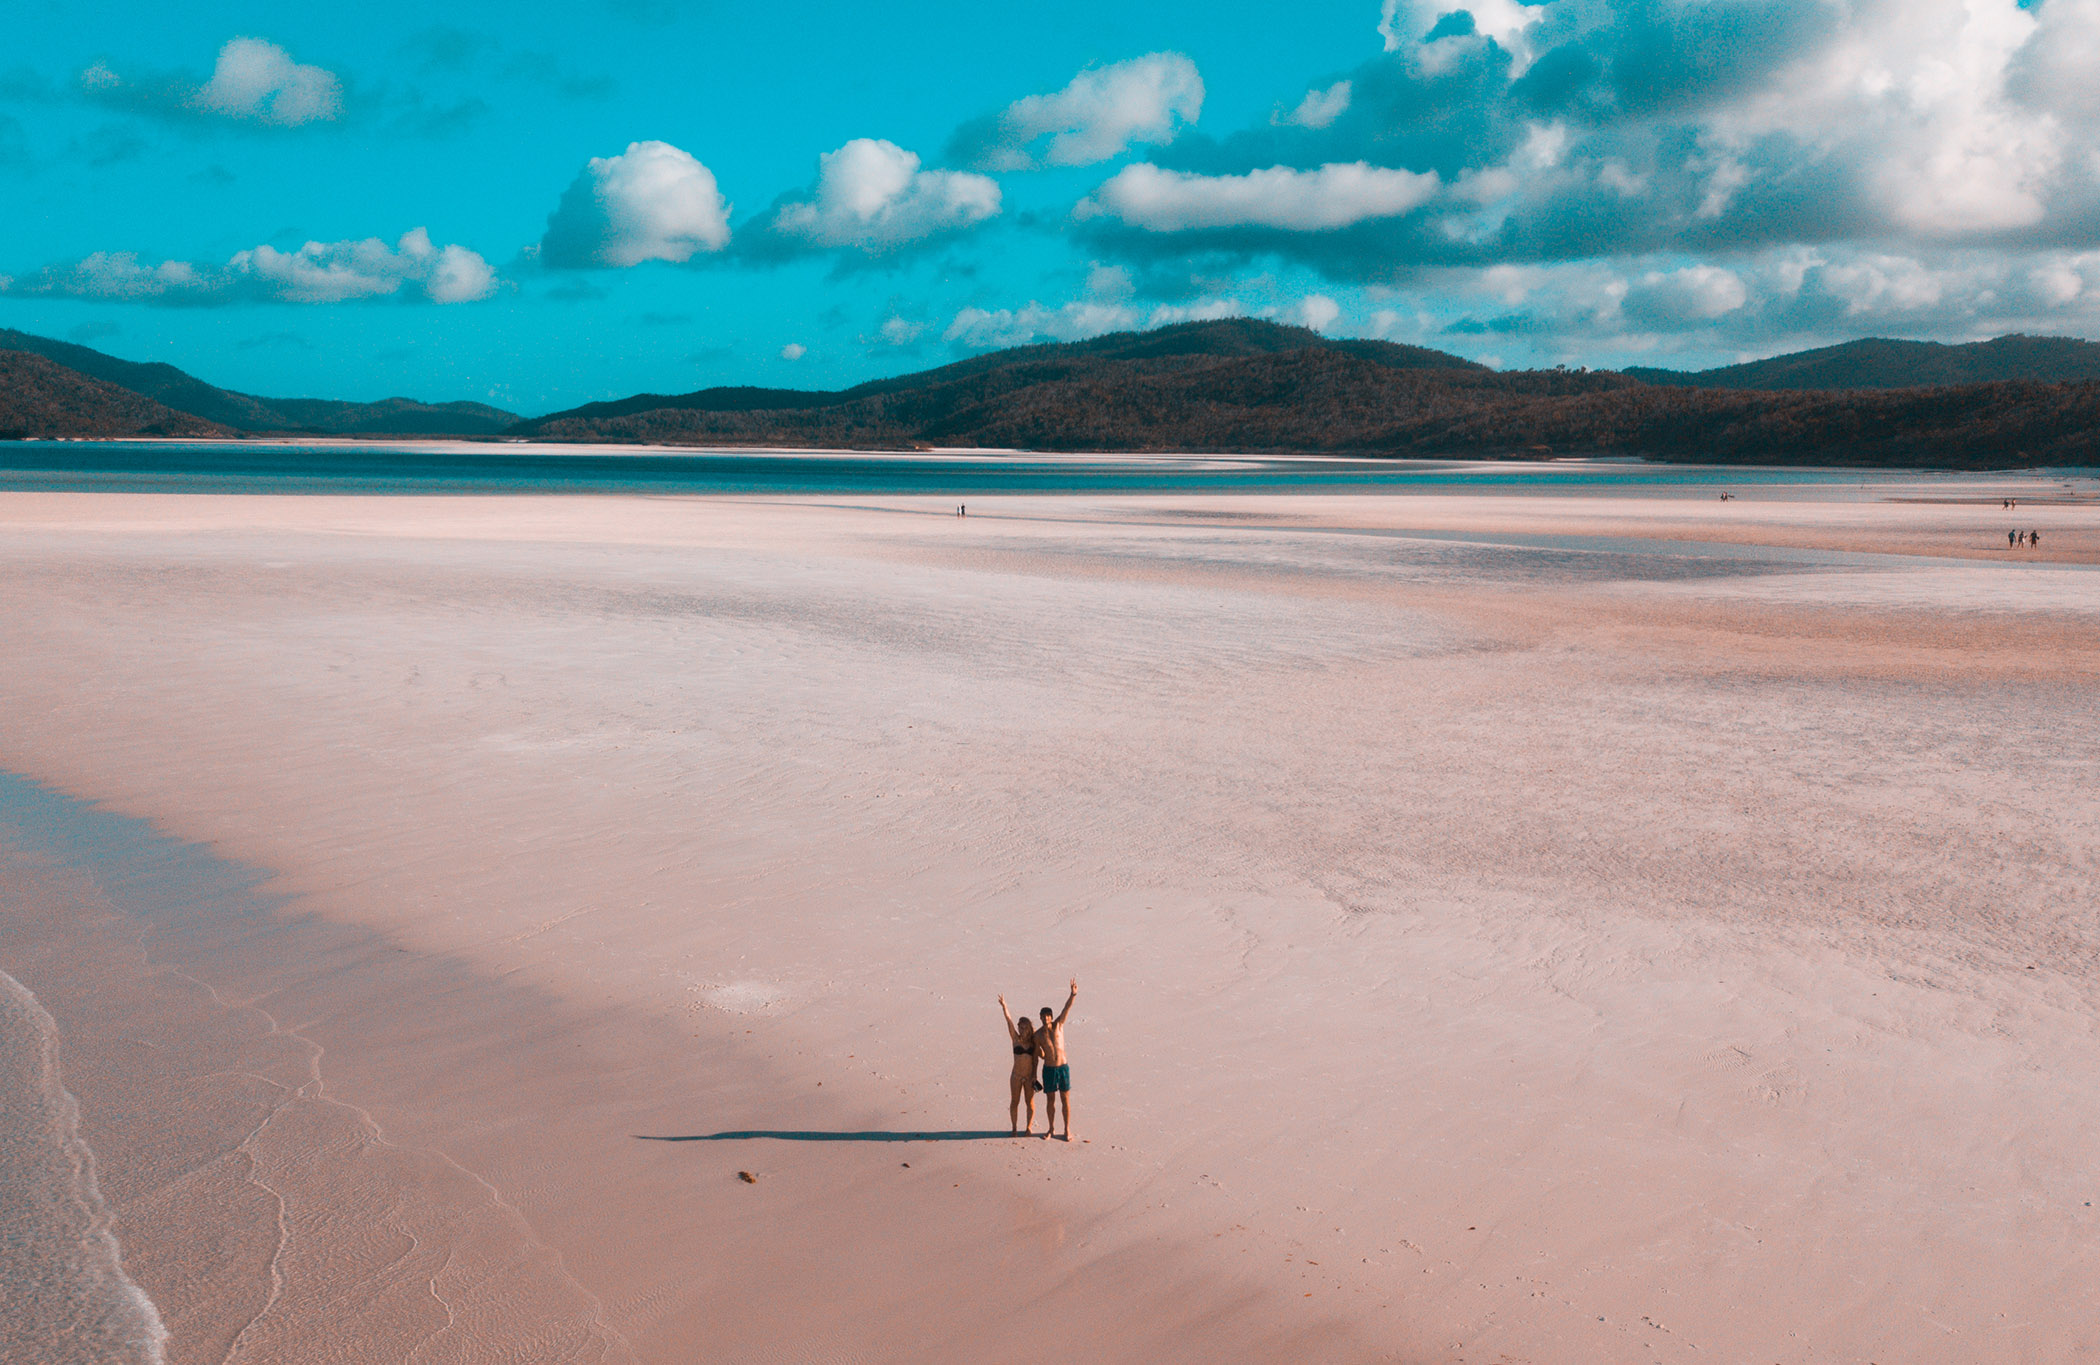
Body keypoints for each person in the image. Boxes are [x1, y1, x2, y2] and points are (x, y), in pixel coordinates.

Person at [1037, 979, 1077, 1141]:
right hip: (1049, 1069)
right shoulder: (1038, 1035)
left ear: (1051, 1017)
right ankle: (1051, 1128)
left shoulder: (1059, 1025)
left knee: (1065, 1098)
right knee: (1050, 1100)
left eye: (1048, 1016)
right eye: (1044, 1016)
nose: (1046, 1018)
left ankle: (1067, 1129)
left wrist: (1073, 994)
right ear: (1040, 1017)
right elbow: (1035, 1054)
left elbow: (1067, 1008)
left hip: (1062, 1068)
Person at [997, 995, 1040, 1135]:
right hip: (1016, 1076)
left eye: (1024, 1028)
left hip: (1029, 1077)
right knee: (1014, 1102)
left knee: (1030, 1103)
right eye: (1020, 1027)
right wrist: (1004, 1006)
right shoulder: (1015, 1039)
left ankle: (1028, 1127)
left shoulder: (1033, 1042)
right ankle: (1014, 1128)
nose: (1022, 1030)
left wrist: (1034, 1076)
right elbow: (1008, 1021)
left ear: (1029, 1028)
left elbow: (1036, 1061)